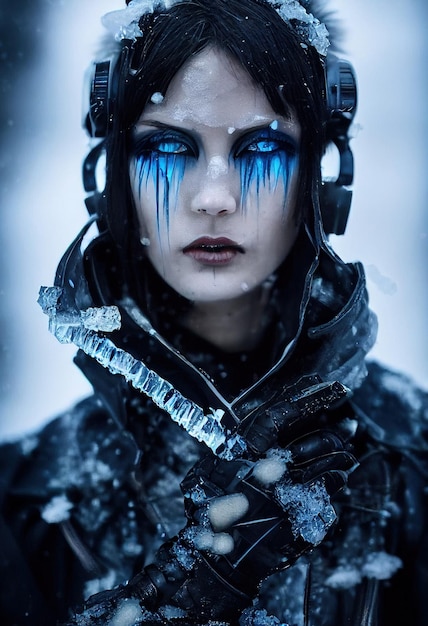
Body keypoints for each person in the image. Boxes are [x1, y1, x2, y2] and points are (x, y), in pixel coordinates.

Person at [0, 1, 427, 625]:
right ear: (113, 178)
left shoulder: (412, 470)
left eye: (261, 149)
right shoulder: (23, 504)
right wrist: (192, 589)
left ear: (323, 176)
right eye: (170, 148)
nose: (215, 198)